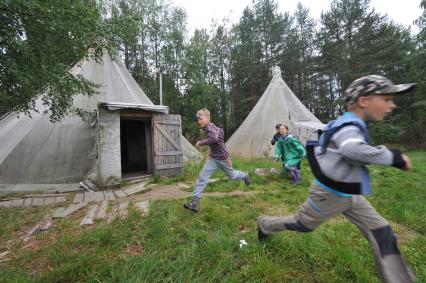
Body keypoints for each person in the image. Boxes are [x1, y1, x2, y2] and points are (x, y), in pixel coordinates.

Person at [257, 75, 416, 283]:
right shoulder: (349, 125)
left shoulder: (348, 122)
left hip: (349, 192)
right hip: (329, 194)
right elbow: (352, 150)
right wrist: (394, 157)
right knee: (303, 224)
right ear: (364, 100)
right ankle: (264, 224)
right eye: (386, 99)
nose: (392, 105)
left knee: (382, 232)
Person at [184, 108, 251, 212]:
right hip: (212, 158)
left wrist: (200, 143)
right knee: (202, 177)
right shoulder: (207, 127)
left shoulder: (210, 128)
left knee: (232, 176)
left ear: (206, 118)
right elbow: (215, 140)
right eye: (197, 119)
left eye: (200, 118)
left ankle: (244, 175)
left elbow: (214, 138)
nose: (198, 121)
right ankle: (194, 203)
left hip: (223, 158)